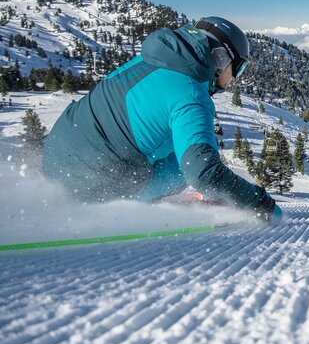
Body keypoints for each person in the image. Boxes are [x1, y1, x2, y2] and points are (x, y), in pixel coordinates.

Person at [42, 17, 283, 223]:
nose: (235, 78)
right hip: (92, 187)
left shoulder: (151, 59)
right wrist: (261, 204)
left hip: (54, 158)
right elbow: (203, 173)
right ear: (221, 59)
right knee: (185, 160)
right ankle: (141, 204)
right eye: (238, 69)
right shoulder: (191, 94)